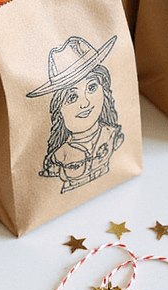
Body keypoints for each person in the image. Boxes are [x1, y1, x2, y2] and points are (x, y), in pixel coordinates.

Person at [27, 35, 124, 192]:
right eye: (72, 97)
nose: (85, 103)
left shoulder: (112, 134)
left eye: (92, 87)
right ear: (59, 110)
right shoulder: (59, 155)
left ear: (104, 90)